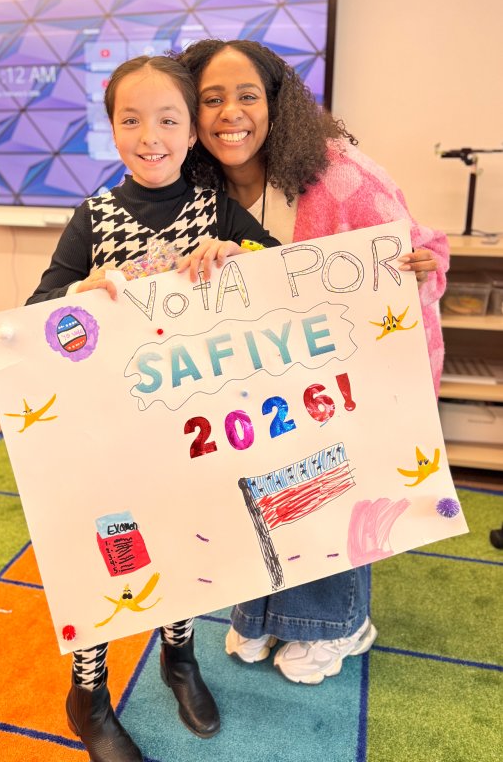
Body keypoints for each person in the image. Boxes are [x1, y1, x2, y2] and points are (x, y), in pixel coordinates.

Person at [26, 54, 279, 761]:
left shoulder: (215, 207)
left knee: (188, 540)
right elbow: (35, 311)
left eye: (168, 118)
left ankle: (180, 657)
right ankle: (90, 691)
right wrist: (82, 291)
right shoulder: (95, 215)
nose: (150, 135)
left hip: (191, 428)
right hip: (108, 433)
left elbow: (287, 275)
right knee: (106, 556)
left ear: (192, 130)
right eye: (130, 119)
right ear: (110, 129)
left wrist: (237, 252)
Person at [176, 38, 449, 685]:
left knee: (331, 489)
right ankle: (266, 612)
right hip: (257, 375)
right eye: (209, 99)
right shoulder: (194, 185)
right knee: (262, 488)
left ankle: (340, 624)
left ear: (278, 104)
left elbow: (417, 250)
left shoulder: (340, 174)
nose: (227, 113)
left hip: (348, 373)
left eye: (247, 96)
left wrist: (418, 271)